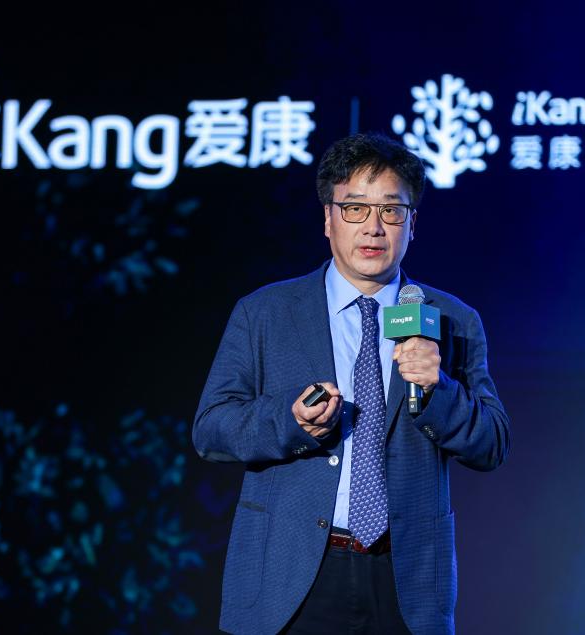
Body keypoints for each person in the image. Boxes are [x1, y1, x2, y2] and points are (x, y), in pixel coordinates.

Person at [192, 132, 510, 634]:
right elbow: (212, 430)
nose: (374, 227)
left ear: (412, 224)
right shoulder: (266, 312)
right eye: (355, 208)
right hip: (292, 573)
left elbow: (492, 444)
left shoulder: (452, 319)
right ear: (328, 218)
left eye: (391, 210)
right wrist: (291, 421)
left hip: (405, 578)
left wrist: (438, 390)